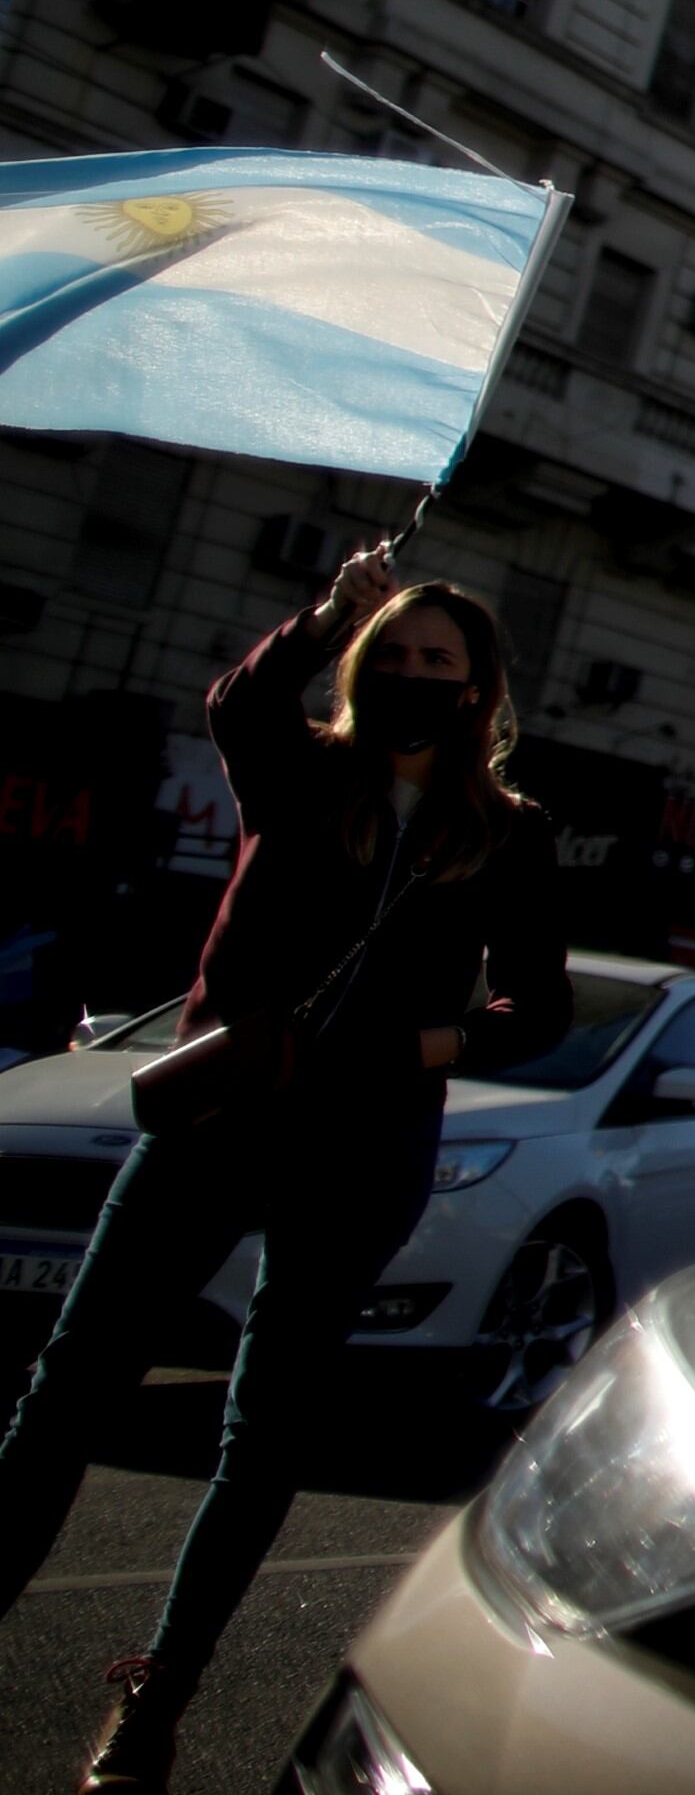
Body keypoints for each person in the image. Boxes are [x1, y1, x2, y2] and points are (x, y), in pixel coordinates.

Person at [0, 545, 565, 1790]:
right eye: (400, 656)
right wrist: (328, 614)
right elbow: (236, 703)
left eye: (443, 662)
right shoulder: (298, 773)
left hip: (363, 1144)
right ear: (370, 668)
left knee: (265, 1435)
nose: (419, 675)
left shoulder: (507, 834)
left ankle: (155, 1704)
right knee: (72, 1388)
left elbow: (541, 1008)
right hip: (223, 1120)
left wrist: (426, 1043)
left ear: (480, 690)